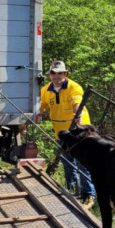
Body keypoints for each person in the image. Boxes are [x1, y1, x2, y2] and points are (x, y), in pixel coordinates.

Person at [40, 60, 96, 208]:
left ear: (65, 74)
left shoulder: (73, 87)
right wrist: (28, 119)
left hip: (79, 131)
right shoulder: (46, 90)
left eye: (60, 73)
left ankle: (88, 195)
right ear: (49, 75)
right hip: (61, 133)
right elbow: (41, 106)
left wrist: (77, 113)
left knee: (84, 163)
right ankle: (73, 192)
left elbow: (77, 101)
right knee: (68, 162)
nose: (57, 76)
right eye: (53, 73)